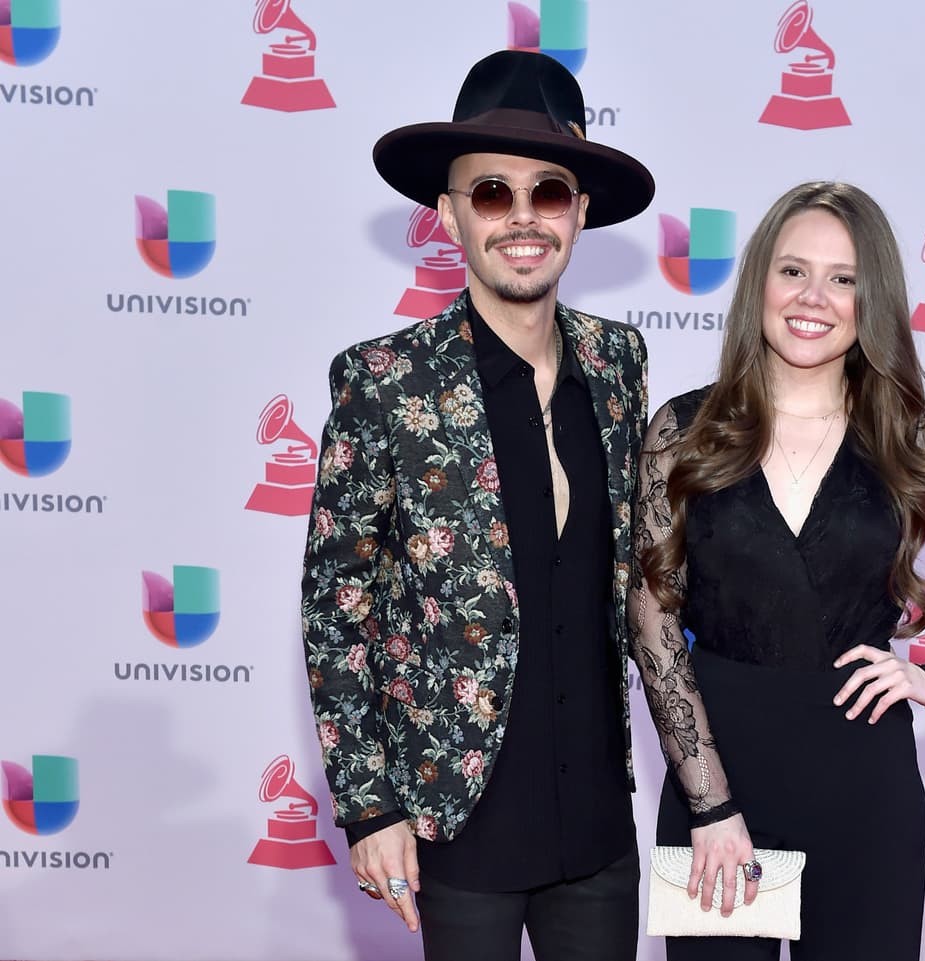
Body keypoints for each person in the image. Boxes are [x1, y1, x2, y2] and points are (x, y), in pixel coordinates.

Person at [629, 181, 925, 960]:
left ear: (871, 298)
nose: (812, 297)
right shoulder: (684, 432)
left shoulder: (913, 434)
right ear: (760, 281)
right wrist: (710, 805)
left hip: (865, 787)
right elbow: (652, 620)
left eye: (843, 278)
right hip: (718, 779)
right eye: (793, 270)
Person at [301, 50, 655, 961]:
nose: (523, 218)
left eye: (549, 192)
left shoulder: (619, 362)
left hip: (597, 825)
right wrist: (369, 806)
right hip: (457, 824)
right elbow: (337, 608)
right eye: (492, 193)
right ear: (450, 213)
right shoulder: (384, 379)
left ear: (581, 212)